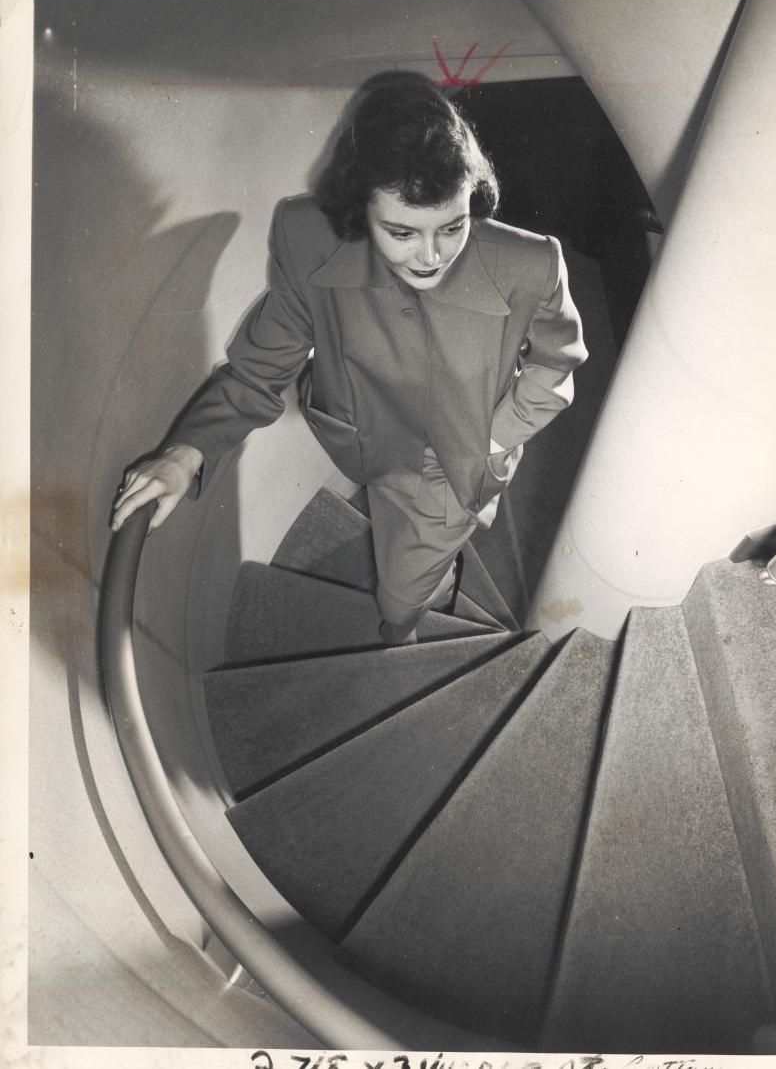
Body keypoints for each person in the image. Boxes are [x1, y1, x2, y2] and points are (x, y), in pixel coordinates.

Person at [111, 72, 586, 645]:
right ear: (360, 207)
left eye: (453, 227)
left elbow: (556, 364)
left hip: (453, 464)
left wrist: (491, 438)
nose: (432, 256)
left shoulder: (531, 265)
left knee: (403, 592)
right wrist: (187, 451)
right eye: (403, 232)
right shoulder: (305, 235)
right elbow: (262, 367)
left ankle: (407, 630)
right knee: (407, 546)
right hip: (362, 436)